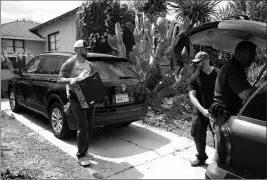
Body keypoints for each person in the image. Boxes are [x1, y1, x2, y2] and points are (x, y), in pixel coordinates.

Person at [209, 41, 257, 149]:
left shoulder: (233, 66)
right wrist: (261, 91)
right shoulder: (234, 68)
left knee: (223, 152)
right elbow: (245, 94)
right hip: (224, 116)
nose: (253, 59)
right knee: (225, 155)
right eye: (251, 55)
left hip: (222, 115)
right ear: (239, 53)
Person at [57, 39, 95, 166]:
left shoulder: (90, 65)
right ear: (78, 49)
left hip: (87, 97)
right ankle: (80, 155)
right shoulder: (70, 63)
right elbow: (59, 79)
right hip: (75, 96)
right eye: (85, 48)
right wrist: (71, 80)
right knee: (83, 125)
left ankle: (85, 150)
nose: (87, 51)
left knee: (89, 125)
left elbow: (93, 80)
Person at [188, 51, 219, 167]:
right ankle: (201, 157)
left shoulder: (218, 74)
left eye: (199, 62)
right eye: (195, 63)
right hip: (200, 112)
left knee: (219, 137)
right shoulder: (195, 76)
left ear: (206, 60)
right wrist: (202, 110)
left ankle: (220, 159)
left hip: (216, 112)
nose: (196, 65)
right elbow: (192, 95)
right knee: (197, 133)